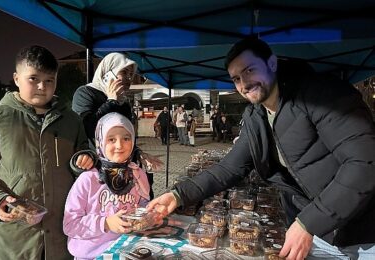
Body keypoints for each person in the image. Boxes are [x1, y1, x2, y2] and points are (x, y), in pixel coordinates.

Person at [147, 38, 375, 260]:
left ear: (272, 64)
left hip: (363, 235)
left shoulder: (321, 93)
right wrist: (178, 195)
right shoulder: (256, 116)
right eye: (236, 78)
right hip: (317, 235)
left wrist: (310, 222)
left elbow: (365, 163)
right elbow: (229, 168)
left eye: (249, 70)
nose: (244, 84)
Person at [0, 45, 94, 259]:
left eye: (49, 80)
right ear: (16, 78)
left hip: (61, 239)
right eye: (33, 78)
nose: (42, 86)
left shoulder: (71, 120)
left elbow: (83, 157)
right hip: (11, 242)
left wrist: (85, 159)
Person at [71, 52, 162, 199]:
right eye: (124, 72)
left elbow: (125, 135)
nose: (128, 79)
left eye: (131, 74)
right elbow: (87, 128)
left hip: (122, 170)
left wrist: (138, 152)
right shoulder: (85, 93)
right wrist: (111, 100)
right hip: (96, 170)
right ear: (108, 73)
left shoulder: (124, 103)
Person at [63, 112, 151, 259]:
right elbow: (70, 224)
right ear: (100, 142)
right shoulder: (88, 179)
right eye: (111, 139)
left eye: (126, 138)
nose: (119, 145)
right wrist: (106, 223)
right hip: (91, 255)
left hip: (127, 251)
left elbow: (143, 205)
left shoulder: (138, 174)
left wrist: (147, 216)